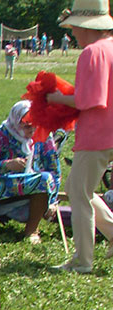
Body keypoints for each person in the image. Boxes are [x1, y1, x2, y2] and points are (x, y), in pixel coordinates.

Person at [47, 0, 113, 273]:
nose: (73, 33)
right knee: (78, 188)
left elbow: (90, 100)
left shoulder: (92, 52)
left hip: (98, 133)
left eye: (74, 27)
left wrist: (56, 98)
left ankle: (83, 260)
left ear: (86, 27)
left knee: (79, 194)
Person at [0, 101, 61, 245]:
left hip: (31, 182)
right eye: (27, 126)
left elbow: (54, 169)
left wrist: (53, 200)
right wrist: (7, 164)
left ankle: (32, 230)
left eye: (35, 124)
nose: (32, 129)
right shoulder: (2, 133)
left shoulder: (44, 134)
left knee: (45, 178)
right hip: (5, 182)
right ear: (16, 122)